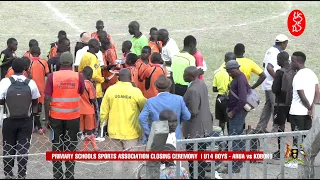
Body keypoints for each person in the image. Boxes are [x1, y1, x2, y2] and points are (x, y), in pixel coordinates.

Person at [44, 52, 85, 179]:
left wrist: (47, 117)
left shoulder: (52, 76)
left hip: (55, 118)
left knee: (56, 146)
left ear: (60, 63)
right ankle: (69, 174)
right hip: (73, 118)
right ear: (72, 63)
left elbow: (46, 98)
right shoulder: (79, 76)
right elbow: (81, 91)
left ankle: (57, 175)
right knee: (71, 146)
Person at [100, 68, 146, 178]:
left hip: (114, 131)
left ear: (118, 77)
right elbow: (145, 106)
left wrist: (103, 126)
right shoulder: (135, 91)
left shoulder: (110, 90)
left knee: (117, 161)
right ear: (131, 78)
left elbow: (103, 112)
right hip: (131, 131)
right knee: (132, 160)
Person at [0, 58, 40, 179]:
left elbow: (1, 100)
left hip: (8, 119)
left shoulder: (5, 82)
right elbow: (35, 102)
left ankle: (8, 173)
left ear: (11, 68)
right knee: (23, 147)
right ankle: (22, 173)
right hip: (25, 120)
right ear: (25, 69)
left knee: (8, 146)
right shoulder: (30, 83)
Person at [139, 75, 190, 144]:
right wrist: (178, 120)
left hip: (156, 138)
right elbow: (187, 116)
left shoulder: (150, 102)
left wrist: (148, 132)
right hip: (175, 137)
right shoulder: (179, 99)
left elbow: (141, 118)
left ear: (156, 88)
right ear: (169, 87)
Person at [220, 60, 250, 174]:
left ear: (236, 69)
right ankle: (237, 162)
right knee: (237, 137)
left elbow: (242, 99)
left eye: (230, 71)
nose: (229, 74)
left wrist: (233, 112)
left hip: (237, 113)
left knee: (235, 138)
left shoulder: (241, 79)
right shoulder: (239, 78)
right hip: (237, 111)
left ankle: (235, 165)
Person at [182, 66, 213, 179]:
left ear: (192, 76)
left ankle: (195, 176)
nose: (183, 75)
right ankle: (200, 175)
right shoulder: (201, 83)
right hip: (204, 125)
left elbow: (193, 111)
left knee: (193, 155)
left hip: (194, 128)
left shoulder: (192, 90)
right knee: (201, 154)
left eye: (185, 74)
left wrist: (182, 112)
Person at [256, 34, 289, 133]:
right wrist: (278, 79)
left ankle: (261, 127)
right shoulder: (276, 53)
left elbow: (264, 64)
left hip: (267, 83)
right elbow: (269, 67)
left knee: (268, 105)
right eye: (286, 43)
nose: (286, 45)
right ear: (283, 43)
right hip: (272, 84)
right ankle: (276, 128)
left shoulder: (270, 50)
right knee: (276, 107)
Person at [289, 51, 320, 146]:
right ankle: (305, 159)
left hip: (297, 113)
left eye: (292, 61)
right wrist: (313, 108)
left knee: (296, 140)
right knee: (307, 140)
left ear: (298, 62)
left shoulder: (298, 76)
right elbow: (317, 93)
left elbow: (301, 95)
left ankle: (296, 160)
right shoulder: (312, 73)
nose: (291, 63)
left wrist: (309, 108)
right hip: (309, 114)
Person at [271, 51, 295, 159]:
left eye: (278, 59)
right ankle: (295, 151)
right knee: (295, 128)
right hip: (293, 104)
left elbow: (274, 89)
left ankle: (280, 151)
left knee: (281, 127)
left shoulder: (279, 72)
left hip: (280, 104)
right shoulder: (295, 71)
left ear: (282, 60)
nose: (277, 61)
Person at [212, 52, 236, 133]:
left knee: (221, 121)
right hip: (229, 99)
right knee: (230, 120)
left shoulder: (217, 71)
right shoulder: (233, 73)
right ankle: (229, 141)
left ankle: (220, 140)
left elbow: (214, 89)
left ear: (224, 60)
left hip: (219, 98)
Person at [29, 46, 50, 134]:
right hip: (41, 88)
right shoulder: (43, 62)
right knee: (39, 108)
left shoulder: (29, 62)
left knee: (32, 107)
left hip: (31, 87)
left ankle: (34, 127)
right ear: (40, 53)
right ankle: (39, 127)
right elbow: (47, 74)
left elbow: (28, 74)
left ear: (30, 52)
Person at [80, 66, 100, 151]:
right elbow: (93, 99)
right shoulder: (89, 84)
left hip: (79, 110)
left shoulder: (77, 82)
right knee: (90, 131)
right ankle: (87, 149)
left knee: (83, 131)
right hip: (88, 110)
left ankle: (93, 147)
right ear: (90, 75)